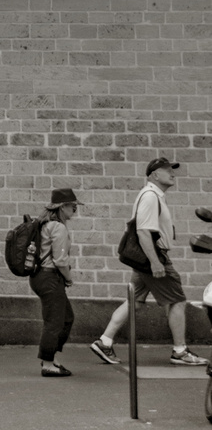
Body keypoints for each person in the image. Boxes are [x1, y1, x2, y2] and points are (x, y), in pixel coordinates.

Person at [91, 158, 208, 367]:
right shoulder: (150, 196)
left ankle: (104, 341)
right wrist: (155, 262)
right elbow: (143, 231)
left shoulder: (154, 196)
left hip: (146, 259)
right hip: (153, 257)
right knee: (177, 301)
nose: (173, 174)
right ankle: (180, 351)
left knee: (134, 301)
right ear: (155, 175)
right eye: (167, 170)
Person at [28, 188, 82, 376]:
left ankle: (49, 358)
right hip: (50, 277)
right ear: (63, 207)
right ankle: (48, 364)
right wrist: (69, 278)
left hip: (41, 276)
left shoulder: (45, 224)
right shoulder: (57, 227)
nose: (75, 210)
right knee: (55, 321)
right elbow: (60, 260)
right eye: (73, 207)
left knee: (66, 318)